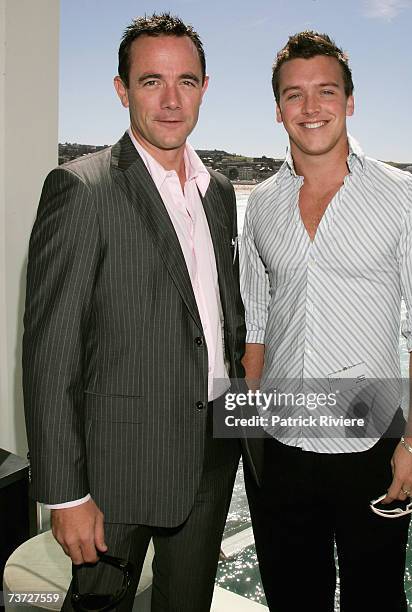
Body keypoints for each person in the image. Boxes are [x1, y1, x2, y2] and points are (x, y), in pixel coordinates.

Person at [23, 13, 249, 612]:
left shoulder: (220, 192)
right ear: (122, 90)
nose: (172, 100)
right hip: (118, 468)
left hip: (212, 449)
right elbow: (51, 354)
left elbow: (223, 319)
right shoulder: (81, 190)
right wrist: (66, 496)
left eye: (187, 82)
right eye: (152, 82)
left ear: (205, 87)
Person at [240, 31, 412, 611]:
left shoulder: (403, 195)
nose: (311, 108)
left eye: (326, 91)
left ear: (350, 101)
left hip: (371, 444)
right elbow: (254, 319)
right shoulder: (259, 204)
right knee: (292, 596)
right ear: (278, 107)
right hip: (280, 442)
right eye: (295, 95)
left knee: (375, 598)